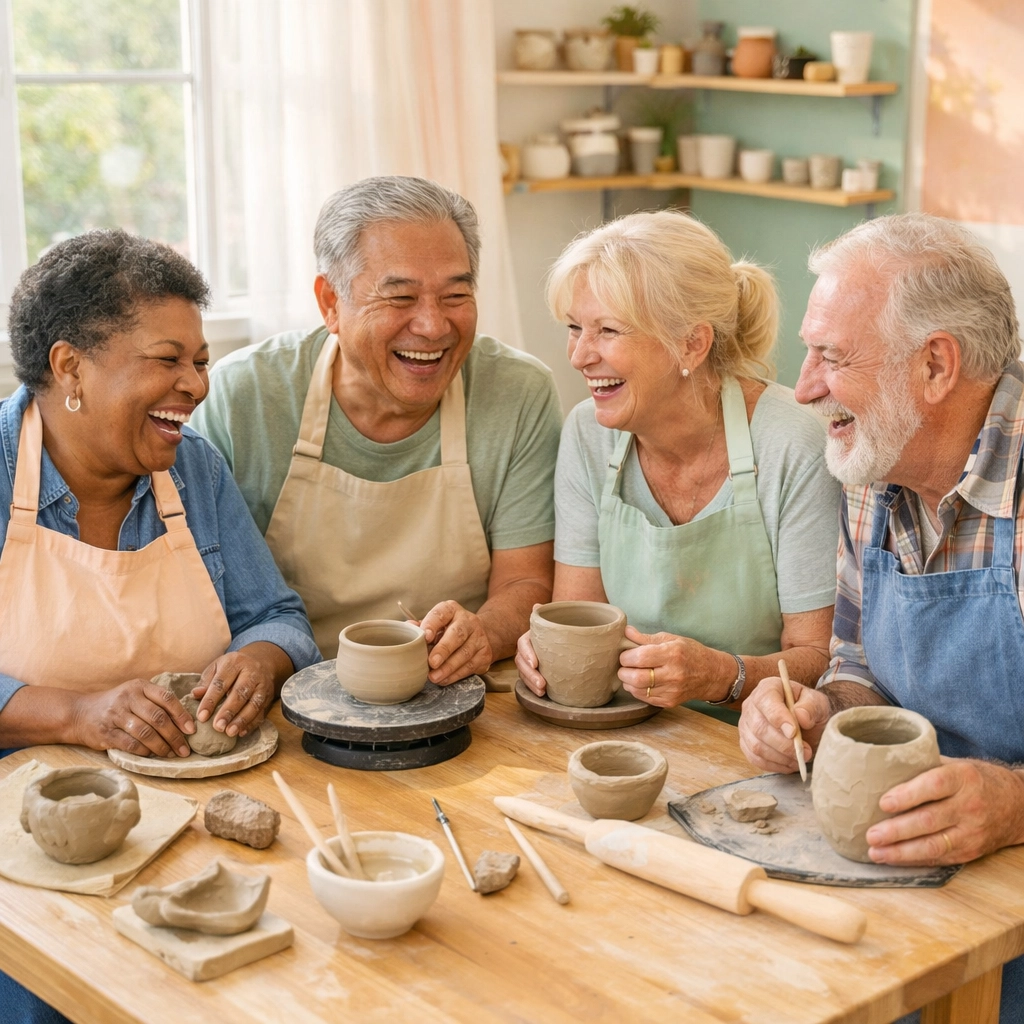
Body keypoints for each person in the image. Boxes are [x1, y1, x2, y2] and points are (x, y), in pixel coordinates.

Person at [0, 230, 320, 1022]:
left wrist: (262, 661)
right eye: (168, 359)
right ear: (70, 367)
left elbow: (278, 617)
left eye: (202, 361)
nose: (195, 385)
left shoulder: (194, 469)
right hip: (30, 840)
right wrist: (76, 716)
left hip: (196, 820)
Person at [737, 213, 1024, 1024]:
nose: (803, 386)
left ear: (936, 364)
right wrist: (821, 712)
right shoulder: (875, 463)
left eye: (831, 357)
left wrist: (1012, 807)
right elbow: (859, 669)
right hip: (916, 883)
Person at [192, 176, 560, 681]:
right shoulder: (244, 398)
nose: (433, 326)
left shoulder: (518, 393)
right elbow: (204, 590)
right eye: (401, 297)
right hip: (286, 692)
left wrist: (483, 634)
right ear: (330, 303)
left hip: (455, 692)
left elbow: (527, 582)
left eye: (456, 294)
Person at [515, 211, 841, 720]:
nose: (579, 356)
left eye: (607, 331)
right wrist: (546, 647)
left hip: (759, 744)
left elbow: (822, 661)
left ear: (692, 342)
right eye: (575, 328)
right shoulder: (587, 433)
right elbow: (578, 616)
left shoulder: (792, 443)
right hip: (625, 731)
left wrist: (720, 675)